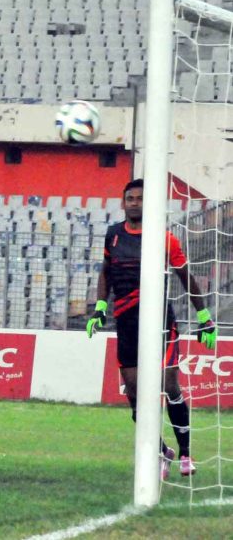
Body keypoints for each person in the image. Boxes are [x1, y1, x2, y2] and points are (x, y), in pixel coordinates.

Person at [87, 178, 217, 480]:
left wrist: (204, 317)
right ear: (123, 203)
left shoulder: (164, 238)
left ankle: (185, 453)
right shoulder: (113, 236)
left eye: (140, 198)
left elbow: (186, 278)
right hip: (127, 323)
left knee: (169, 383)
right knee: (133, 392)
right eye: (129, 198)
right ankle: (163, 451)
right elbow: (106, 273)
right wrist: (100, 307)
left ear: (150, 203)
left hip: (160, 322)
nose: (134, 203)